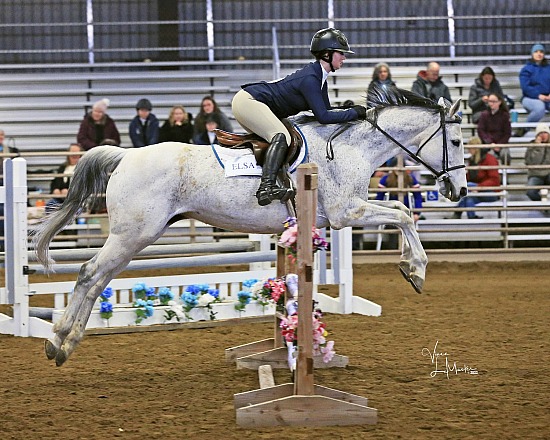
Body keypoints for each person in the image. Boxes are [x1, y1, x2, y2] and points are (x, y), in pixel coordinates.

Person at [232, 27, 366, 206]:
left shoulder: (319, 78)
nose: (344, 58)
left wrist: (346, 109)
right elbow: (323, 117)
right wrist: (354, 113)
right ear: (327, 54)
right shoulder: (311, 79)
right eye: (341, 53)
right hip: (249, 101)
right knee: (282, 137)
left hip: (256, 102)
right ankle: (266, 187)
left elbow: (325, 110)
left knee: (284, 135)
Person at [454, 138, 500, 219]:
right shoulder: (473, 160)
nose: (468, 151)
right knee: (469, 200)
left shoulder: (490, 159)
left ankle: (457, 213)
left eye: (470, 148)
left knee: (469, 185)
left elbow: (494, 180)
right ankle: (472, 218)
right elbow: (469, 177)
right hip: (476, 191)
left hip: (491, 192)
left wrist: (478, 187)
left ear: (475, 148)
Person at [45, 143, 84, 212]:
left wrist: (69, 192)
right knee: (50, 206)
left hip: (75, 200)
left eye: (76, 153)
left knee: (76, 209)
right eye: (72, 153)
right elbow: (55, 182)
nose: (74, 155)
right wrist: (55, 190)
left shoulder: (82, 168)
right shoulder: (63, 167)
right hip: (60, 199)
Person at [519, 44, 550, 131]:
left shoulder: (549, 68)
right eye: (536, 52)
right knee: (540, 108)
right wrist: (538, 96)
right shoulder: (526, 69)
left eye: (541, 52)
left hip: (548, 97)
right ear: (532, 54)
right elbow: (525, 87)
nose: (539, 54)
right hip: (530, 97)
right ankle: (524, 129)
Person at [476, 93, 512, 165]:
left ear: (499, 102)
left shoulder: (505, 116)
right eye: (490, 101)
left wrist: (499, 145)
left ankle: (506, 174)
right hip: (488, 144)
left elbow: (507, 133)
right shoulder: (484, 115)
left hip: (501, 144)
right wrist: (490, 143)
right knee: (490, 156)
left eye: (494, 101)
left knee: (505, 154)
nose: (491, 104)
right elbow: (481, 131)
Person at [525, 123, 550, 201]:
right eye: (540, 133)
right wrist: (538, 147)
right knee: (530, 192)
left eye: (545, 133)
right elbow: (531, 162)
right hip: (536, 174)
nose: (543, 135)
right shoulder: (531, 146)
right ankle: (544, 205)